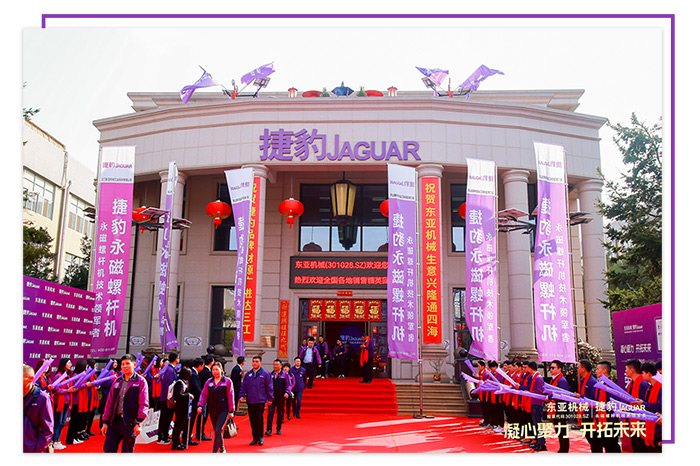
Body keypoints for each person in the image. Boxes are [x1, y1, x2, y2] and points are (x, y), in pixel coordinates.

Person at [101, 354, 149, 453]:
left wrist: (139, 422)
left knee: (127, 451)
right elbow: (109, 402)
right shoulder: (117, 382)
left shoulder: (141, 382)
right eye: (123, 364)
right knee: (108, 449)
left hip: (130, 422)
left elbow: (144, 403)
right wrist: (105, 422)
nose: (125, 366)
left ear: (134, 365)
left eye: (127, 364)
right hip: (115, 421)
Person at [197, 362, 235, 453]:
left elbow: (230, 395)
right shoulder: (209, 382)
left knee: (218, 430)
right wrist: (200, 405)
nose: (215, 372)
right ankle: (222, 448)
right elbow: (204, 394)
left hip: (223, 408)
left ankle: (214, 451)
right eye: (213, 370)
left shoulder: (227, 381)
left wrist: (231, 410)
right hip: (212, 408)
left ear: (221, 370)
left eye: (217, 370)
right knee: (217, 430)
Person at [239, 356, 273, 446]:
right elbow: (244, 386)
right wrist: (241, 395)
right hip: (250, 400)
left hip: (260, 400)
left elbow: (269, 387)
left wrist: (270, 398)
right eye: (253, 361)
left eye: (257, 361)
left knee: (259, 418)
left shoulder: (265, 374)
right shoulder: (248, 374)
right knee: (252, 419)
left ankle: (260, 437)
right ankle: (255, 437)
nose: (254, 363)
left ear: (260, 363)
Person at [24, 363, 53, 453]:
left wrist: (38, 451)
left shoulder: (42, 398)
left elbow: (47, 430)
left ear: (31, 379)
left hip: (32, 448)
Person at [624, 358, 651, 453]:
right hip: (633, 422)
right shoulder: (631, 383)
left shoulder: (643, 384)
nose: (625, 371)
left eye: (626, 369)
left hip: (641, 422)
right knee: (636, 448)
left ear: (632, 370)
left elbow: (644, 404)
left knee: (642, 450)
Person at [594, 361, 621, 453]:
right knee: (606, 445)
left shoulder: (611, 385)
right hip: (601, 419)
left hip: (610, 421)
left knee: (612, 446)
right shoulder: (601, 384)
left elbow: (615, 404)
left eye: (598, 369)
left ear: (604, 371)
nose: (596, 371)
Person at [576, 359, 601, 453]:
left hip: (591, 413)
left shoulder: (592, 381)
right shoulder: (583, 380)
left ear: (584, 369)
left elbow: (593, 397)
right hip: (584, 412)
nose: (578, 369)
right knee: (589, 436)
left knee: (593, 438)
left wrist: (581, 397)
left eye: (579, 367)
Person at [50, 358, 74, 450]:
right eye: (69, 363)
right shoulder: (58, 376)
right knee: (58, 422)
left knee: (62, 422)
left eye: (71, 363)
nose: (70, 364)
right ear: (64, 364)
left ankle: (57, 439)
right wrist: (67, 390)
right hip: (59, 402)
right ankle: (54, 441)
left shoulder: (67, 375)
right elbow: (55, 390)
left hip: (66, 402)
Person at [156, 352, 179, 444]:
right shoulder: (169, 370)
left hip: (167, 397)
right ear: (175, 359)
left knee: (168, 418)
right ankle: (162, 437)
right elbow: (169, 386)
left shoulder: (170, 369)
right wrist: (171, 398)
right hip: (166, 398)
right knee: (165, 418)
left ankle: (165, 435)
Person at [548, 360, 571, 453]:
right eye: (550, 368)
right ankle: (562, 449)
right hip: (556, 408)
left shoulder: (561, 381)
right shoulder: (554, 379)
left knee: (562, 431)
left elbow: (563, 396)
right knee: (559, 430)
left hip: (561, 409)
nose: (551, 369)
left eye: (553, 368)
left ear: (559, 369)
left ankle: (564, 450)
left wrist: (551, 397)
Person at [265, 359, 293, 436]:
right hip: (272, 397)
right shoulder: (270, 374)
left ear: (281, 366)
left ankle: (278, 428)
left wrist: (287, 392)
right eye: (274, 365)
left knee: (280, 413)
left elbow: (289, 385)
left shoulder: (285, 374)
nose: (275, 366)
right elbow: (267, 385)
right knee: (270, 413)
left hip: (281, 397)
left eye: (277, 365)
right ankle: (269, 430)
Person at [65, 359, 89, 445]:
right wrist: (85, 385)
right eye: (86, 366)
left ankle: (75, 437)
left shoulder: (83, 375)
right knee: (74, 421)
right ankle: (70, 439)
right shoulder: (75, 375)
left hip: (81, 400)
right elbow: (76, 387)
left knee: (78, 420)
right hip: (76, 401)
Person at [641, 362, 662, 452]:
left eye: (643, 373)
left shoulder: (660, 388)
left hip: (659, 429)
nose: (642, 376)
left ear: (649, 374)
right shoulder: (650, 388)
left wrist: (643, 404)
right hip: (651, 427)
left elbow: (659, 408)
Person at [171, 368, 193, 450]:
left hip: (183, 407)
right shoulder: (179, 383)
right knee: (178, 425)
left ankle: (178, 442)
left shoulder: (184, 382)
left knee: (180, 426)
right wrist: (188, 395)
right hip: (180, 407)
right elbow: (178, 395)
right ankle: (175, 443)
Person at [99, 360, 119, 431]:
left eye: (116, 363)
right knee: (105, 411)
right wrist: (113, 382)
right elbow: (104, 384)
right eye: (114, 363)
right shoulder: (106, 372)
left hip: (114, 394)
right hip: (107, 394)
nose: (115, 364)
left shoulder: (116, 372)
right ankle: (102, 426)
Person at [198, 355, 214, 441]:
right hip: (205, 396)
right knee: (203, 416)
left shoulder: (202, 371)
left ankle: (200, 432)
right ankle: (200, 433)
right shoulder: (208, 373)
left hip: (202, 395)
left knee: (202, 416)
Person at [187, 358, 203, 446]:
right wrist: (203, 394)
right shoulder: (193, 374)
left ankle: (188, 436)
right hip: (193, 400)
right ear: (200, 366)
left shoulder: (194, 373)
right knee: (191, 419)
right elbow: (196, 388)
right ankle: (187, 437)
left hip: (194, 399)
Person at [487, 361, 505, 433]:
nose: (491, 370)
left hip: (498, 394)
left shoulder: (499, 374)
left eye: (492, 368)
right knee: (495, 410)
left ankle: (501, 425)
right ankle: (497, 424)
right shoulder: (493, 373)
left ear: (495, 367)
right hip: (494, 393)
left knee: (499, 411)